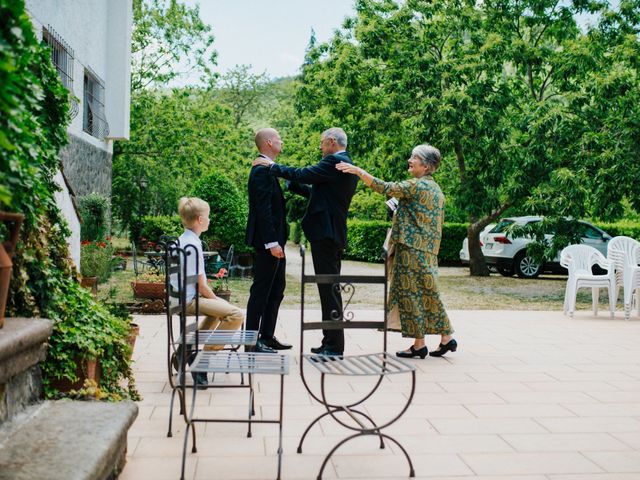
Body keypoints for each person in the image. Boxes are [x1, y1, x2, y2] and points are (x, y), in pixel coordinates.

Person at [335, 144, 457, 358]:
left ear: (426, 166)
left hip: (411, 249)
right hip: (427, 249)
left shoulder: (415, 186)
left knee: (410, 295)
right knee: (427, 294)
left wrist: (358, 171)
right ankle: (442, 339)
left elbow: (385, 187)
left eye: (414, 158)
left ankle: (423, 344)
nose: (410, 160)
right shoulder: (435, 189)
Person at [253, 127, 358, 356]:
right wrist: (293, 185)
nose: (320, 147)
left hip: (327, 236)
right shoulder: (342, 163)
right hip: (330, 235)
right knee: (328, 289)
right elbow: (319, 194)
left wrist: (273, 167)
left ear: (331, 141)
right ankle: (329, 340)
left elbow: (304, 173)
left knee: (329, 290)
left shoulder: (334, 162)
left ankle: (333, 346)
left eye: (322, 143)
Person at [175, 197, 244, 386]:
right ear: (199, 219)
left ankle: (186, 349)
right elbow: (202, 287)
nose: (210, 219)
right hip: (189, 301)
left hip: (178, 299)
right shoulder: (193, 245)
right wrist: (223, 303)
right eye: (208, 216)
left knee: (215, 312)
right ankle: (202, 361)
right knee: (235, 314)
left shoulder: (181, 241)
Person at [245, 128, 290, 353]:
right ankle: (252, 341)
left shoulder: (269, 168)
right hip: (267, 243)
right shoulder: (260, 170)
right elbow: (263, 209)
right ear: (270, 143)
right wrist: (271, 242)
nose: (282, 142)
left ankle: (267, 336)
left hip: (277, 242)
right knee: (261, 290)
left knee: (277, 288)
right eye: (279, 139)